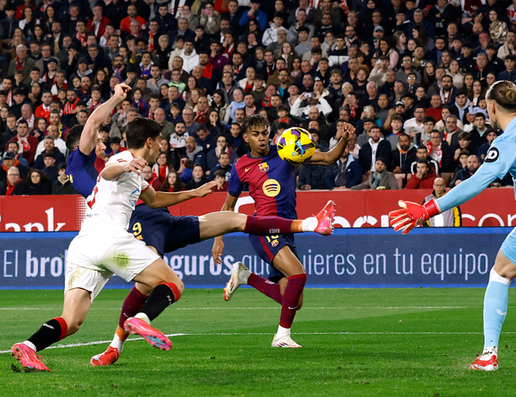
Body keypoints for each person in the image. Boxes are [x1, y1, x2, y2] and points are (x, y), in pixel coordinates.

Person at [63, 86, 337, 367]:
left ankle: (122, 336)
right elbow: (99, 139)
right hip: (139, 223)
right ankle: (119, 342)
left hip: (161, 217)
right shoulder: (95, 162)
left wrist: (195, 193)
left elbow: (154, 198)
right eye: (96, 141)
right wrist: (117, 103)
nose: (101, 143)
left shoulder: (107, 165)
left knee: (231, 221)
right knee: (151, 283)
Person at [388, 81, 516, 371]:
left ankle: (489, 355)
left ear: (491, 106)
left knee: (499, 275)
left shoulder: (509, 139)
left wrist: (428, 208)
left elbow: (476, 182)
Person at [213, 114, 355, 348]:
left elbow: (329, 158)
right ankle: (282, 336)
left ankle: (245, 276)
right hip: (265, 229)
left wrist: (345, 139)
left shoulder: (285, 152)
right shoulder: (240, 167)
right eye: (256, 134)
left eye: (265, 133)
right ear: (246, 137)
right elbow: (228, 207)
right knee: (298, 275)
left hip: (287, 229)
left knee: (294, 301)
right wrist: (218, 238)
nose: (262, 138)